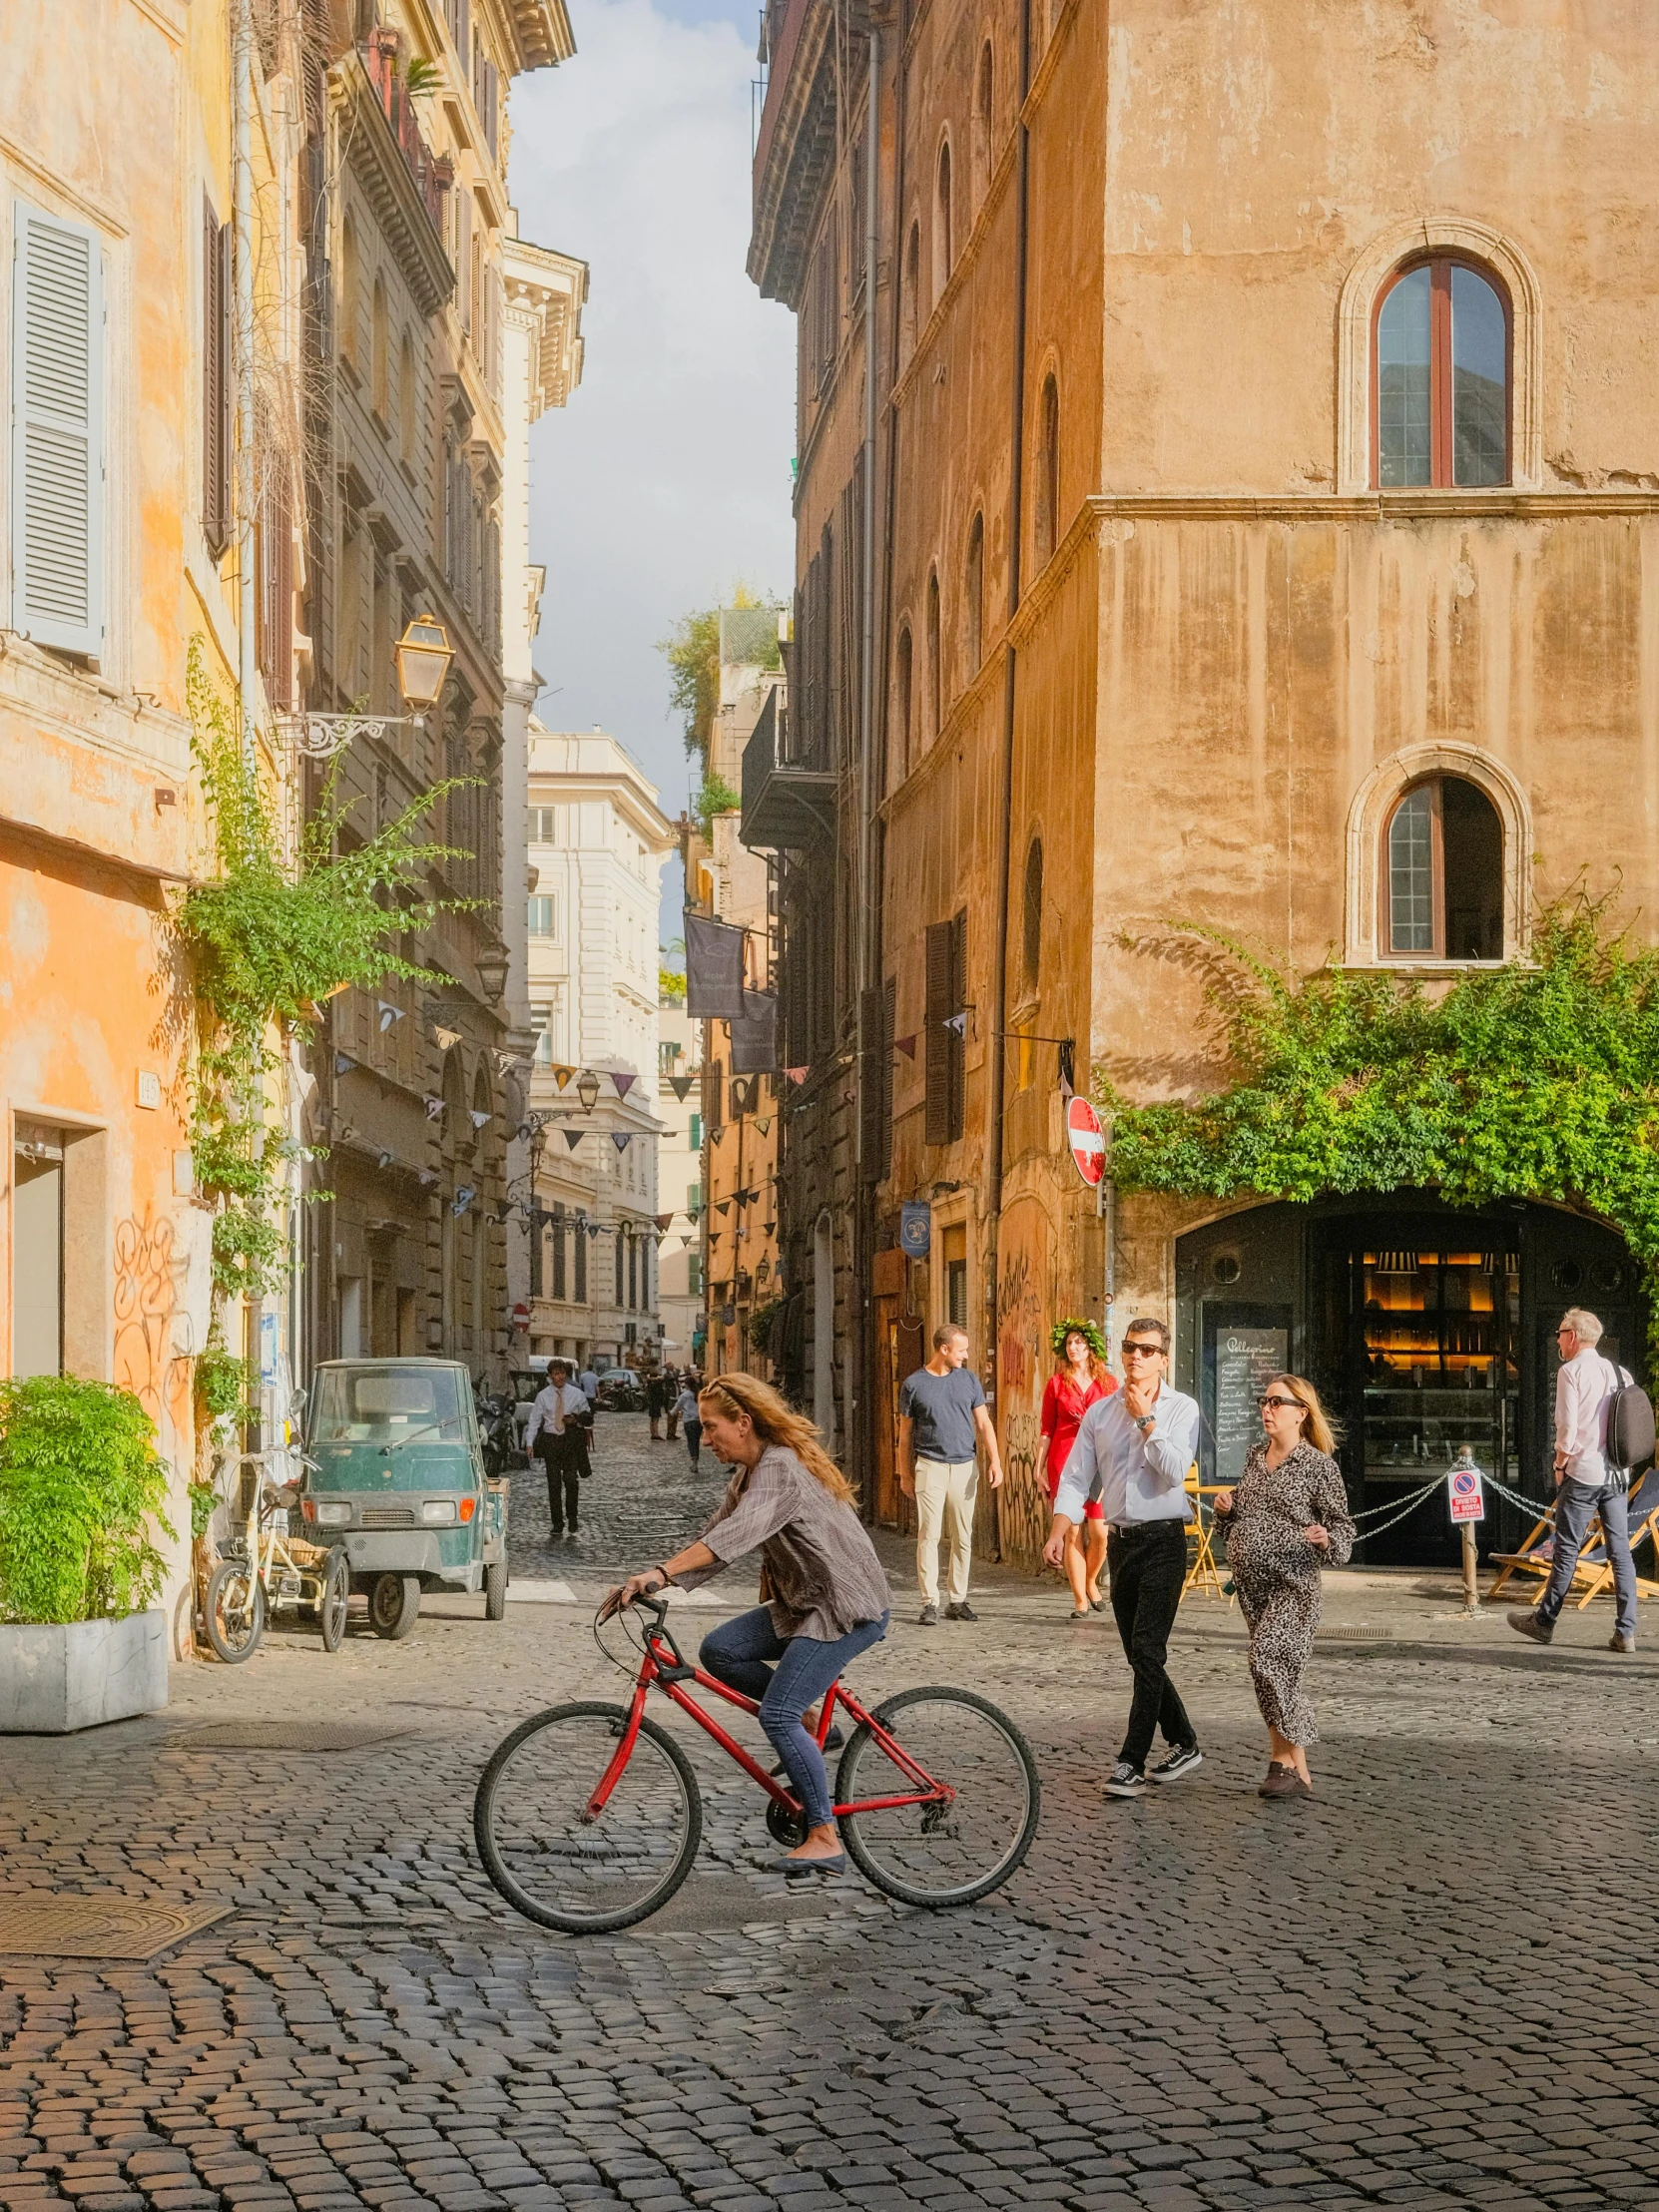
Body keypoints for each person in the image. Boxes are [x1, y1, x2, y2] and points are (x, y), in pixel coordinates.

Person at [604, 1373, 891, 1878]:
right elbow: (715, 1537)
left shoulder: (779, 1468)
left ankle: (825, 1835)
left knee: (775, 1713)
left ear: (744, 1422)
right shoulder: (749, 1475)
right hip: (805, 1603)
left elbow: (734, 1537)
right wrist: (652, 1579)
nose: (706, 1437)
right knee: (721, 1651)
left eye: (712, 1427)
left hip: (846, 1606)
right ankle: (810, 1727)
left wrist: (661, 1573)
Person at [1043, 1316, 1202, 1798]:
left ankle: (1131, 1761)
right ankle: (1186, 1742)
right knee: (1139, 1655)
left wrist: (1145, 1420)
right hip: (1123, 1544)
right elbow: (1075, 1478)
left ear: (1164, 1359)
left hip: (1165, 1543)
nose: (1136, 1356)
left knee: (1149, 1650)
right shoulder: (1099, 1414)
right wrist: (1059, 1528)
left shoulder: (1182, 1409)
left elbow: (1175, 1471)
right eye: (1130, 1347)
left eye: (1148, 1350)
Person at [1211, 1375, 1355, 1798]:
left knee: (1266, 1658)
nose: (1266, 1409)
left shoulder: (1319, 1466)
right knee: (1271, 1673)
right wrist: (1226, 1510)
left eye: (1277, 1402)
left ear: (1301, 1412)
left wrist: (1326, 1539)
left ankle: (1281, 1760)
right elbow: (1240, 1520)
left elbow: (1343, 1532)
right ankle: (1296, 1770)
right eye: (1264, 1401)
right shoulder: (1255, 1458)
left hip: (1294, 1587)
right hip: (1252, 1588)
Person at [1510, 1307, 1639, 1653]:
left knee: (1567, 1548)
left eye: (1560, 1332)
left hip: (1582, 1471)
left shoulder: (1571, 1372)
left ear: (1573, 1336)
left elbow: (1566, 1427)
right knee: (1620, 1551)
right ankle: (1625, 1631)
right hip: (1616, 1474)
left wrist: (1559, 1463)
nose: (1558, 1338)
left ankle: (1544, 1622)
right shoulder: (1621, 1372)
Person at [898, 1325, 1004, 1626]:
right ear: (944, 1349)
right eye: (961, 1350)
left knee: (963, 1536)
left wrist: (995, 1461)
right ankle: (929, 1602)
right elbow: (904, 1435)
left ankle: (957, 1600)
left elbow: (984, 1424)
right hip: (929, 1465)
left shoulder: (969, 1381)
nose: (966, 1355)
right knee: (928, 1535)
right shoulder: (914, 1384)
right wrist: (904, 1473)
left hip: (964, 1466)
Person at [1037, 1323, 1116, 1617]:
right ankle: (1080, 1600)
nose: (1074, 1348)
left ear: (1090, 1348)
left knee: (1100, 1532)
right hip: (1063, 1458)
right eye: (1070, 1343)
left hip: (1098, 1460)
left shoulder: (1108, 1384)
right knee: (1072, 1531)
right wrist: (1038, 1467)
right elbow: (1047, 1429)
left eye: (1080, 1343)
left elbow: (1117, 1427)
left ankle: (1091, 1581)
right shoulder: (1056, 1384)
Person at [525, 1359, 593, 1540]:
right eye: (556, 1373)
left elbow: (587, 1416)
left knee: (571, 1480)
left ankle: (572, 1517)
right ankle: (557, 1523)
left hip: (570, 1440)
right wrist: (529, 1443)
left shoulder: (577, 1394)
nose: (560, 1377)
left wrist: (577, 1419)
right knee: (554, 1484)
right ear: (550, 1376)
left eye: (562, 1373)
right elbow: (534, 1420)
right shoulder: (543, 1396)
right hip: (551, 1442)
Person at [678, 1373, 704, 1467]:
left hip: (688, 1421)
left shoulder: (685, 1395)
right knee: (696, 1441)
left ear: (687, 1384)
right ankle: (696, 1461)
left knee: (691, 1441)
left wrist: (671, 1412)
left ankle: (694, 1462)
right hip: (698, 1421)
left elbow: (678, 1406)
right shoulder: (699, 1393)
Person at [646, 1370, 667, 1441]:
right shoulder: (657, 1383)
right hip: (656, 1402)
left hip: (651, 1402)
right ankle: (656, 1434)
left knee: (652, 1419)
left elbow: (648, 1377)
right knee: (656, 1419)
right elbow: (663, 1378)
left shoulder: (649, 1383)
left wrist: (650, 1378)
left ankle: (652, 1434)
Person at [666, 1369, 683, 1440]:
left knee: (675, 1416)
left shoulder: (675, 1379)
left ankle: (673, 1433)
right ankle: (669, 1433)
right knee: (671, 1416)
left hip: (676, 1397)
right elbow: (673, 1377)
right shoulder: (667, 1375)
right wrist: (677, 1372)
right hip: (671, 1398)